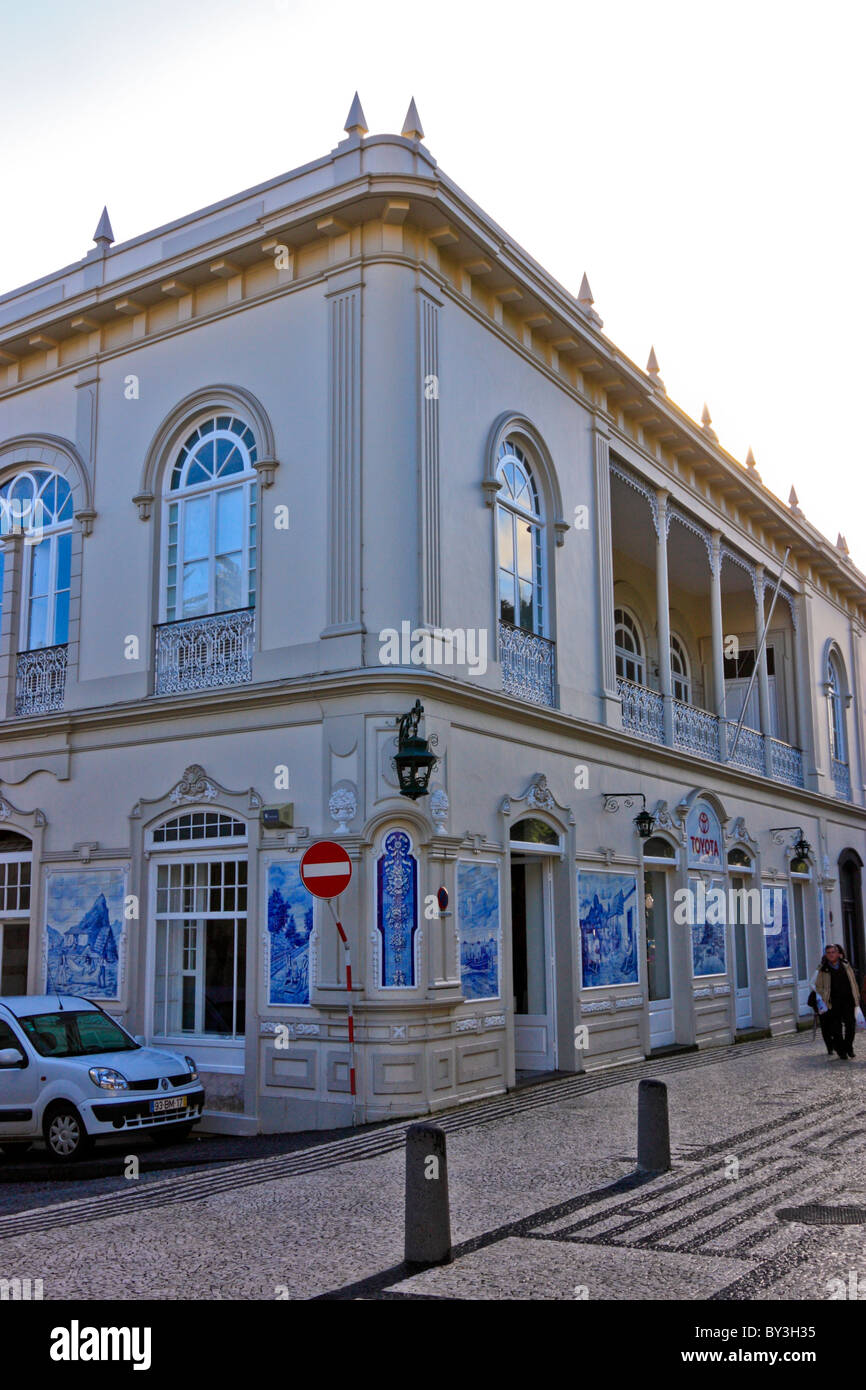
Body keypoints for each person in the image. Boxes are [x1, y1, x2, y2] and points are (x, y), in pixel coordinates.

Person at [813, 943, 860, 1060]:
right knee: (836, 1028)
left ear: (838, 954)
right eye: (828, 953)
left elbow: (853, 982)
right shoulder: (823, 969)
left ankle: (848, 1047)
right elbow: (817, 986)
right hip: (832, 1002)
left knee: (850, 1025)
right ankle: (841, 1050)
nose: (831, 955)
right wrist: (825, 995)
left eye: (833, 952)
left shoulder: (846, 965)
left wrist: (856, 996)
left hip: (848, 1000)